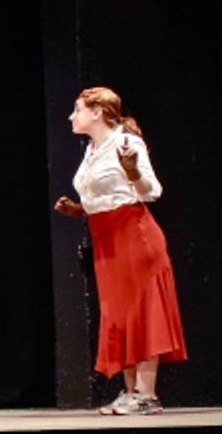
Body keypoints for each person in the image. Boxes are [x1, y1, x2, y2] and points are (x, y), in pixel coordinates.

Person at [54, 86, 187, 415]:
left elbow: (151, 191)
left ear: (97, 112)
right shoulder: (92, 149)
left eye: (78, 109)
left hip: (134, 236)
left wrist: (132, 171)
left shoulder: (127, 143)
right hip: (107, 240)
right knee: (120, 315)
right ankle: (131, 393)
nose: (72, 116)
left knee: (143, 312)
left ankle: (147, 394)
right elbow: (102, 193)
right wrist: (81, 209)